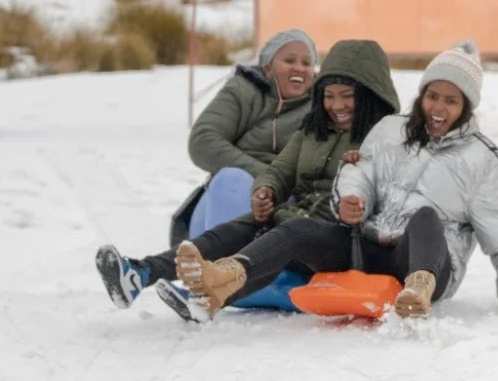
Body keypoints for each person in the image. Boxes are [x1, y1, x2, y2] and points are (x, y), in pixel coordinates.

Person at [95, 39, 401, 321]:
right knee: (230, 232)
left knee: (291, 230)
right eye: (329, 96)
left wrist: (359, 198)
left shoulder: (386, 138)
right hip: (295, 221)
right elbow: (280, 170)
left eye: (348, 97)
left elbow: (396, 193)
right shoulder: (313, 130)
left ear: (370, 95)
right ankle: (140, 274)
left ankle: (212, 293)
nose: (337, 106)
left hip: (342, 237)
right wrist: (266, 189)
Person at [331, 38, 498, 318]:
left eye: (451, 100)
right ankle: (251, 270)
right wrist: (352, 198)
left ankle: (419, 287)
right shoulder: (390, 130)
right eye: (432, 96)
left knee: (425, 217)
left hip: (436, 268)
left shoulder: (483, 159)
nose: (438, 108)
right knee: (299, 231)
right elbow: (361, 173)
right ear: (422, 97)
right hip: (375, 255)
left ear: (466, 107)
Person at [170, 29, 319, 246]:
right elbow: (203, 141)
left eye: (307, 63)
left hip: (285, 210)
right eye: (289, 60)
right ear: (268, 67)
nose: (299, 68)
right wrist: (268, 177)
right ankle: (221, 271)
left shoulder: (321, 106)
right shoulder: (243, 90)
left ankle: (274, 276)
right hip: (221, 210)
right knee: (232, 180)